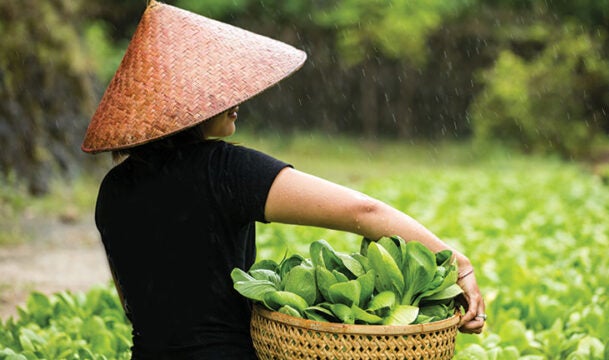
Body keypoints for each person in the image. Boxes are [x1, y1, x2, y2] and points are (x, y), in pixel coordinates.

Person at [82, 1, 485, 359]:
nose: (236, 99)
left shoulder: (112, 191)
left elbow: (134, 303)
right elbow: (363, 210)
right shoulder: (225, 170)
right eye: (221, 91)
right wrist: (456, 263)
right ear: (191, 107)